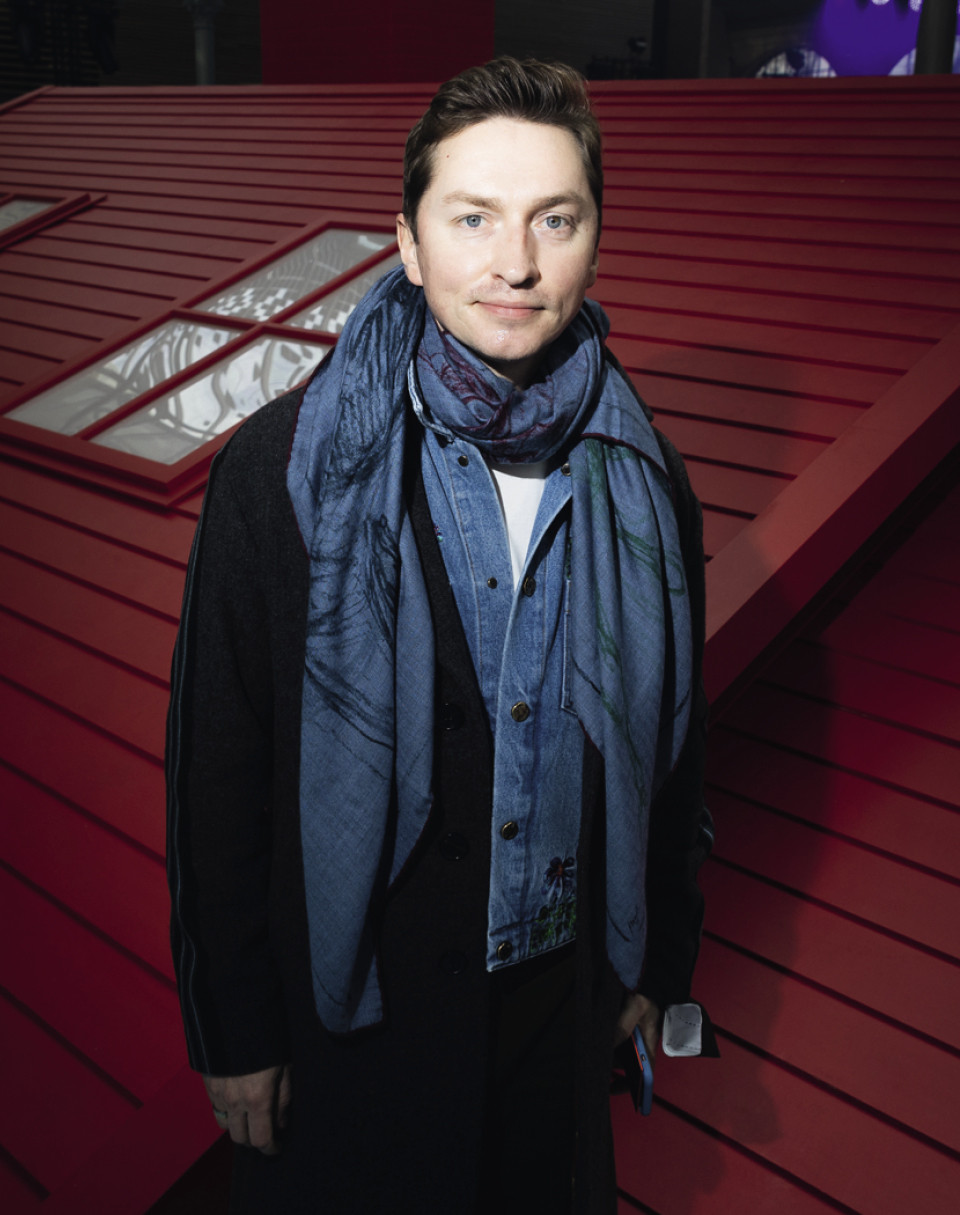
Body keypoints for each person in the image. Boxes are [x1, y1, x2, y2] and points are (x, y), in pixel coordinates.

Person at [166, 56, 710, 1215]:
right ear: (409, 245)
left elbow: (674, 752)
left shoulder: (648, 478)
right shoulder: (282, 471)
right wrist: (234, 1030)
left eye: (554, 219)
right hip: (354, 1038)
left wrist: (655, 963)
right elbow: (217, 769)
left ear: (595, 239)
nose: (516, 262)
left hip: (556, 1027)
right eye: (473, 218)